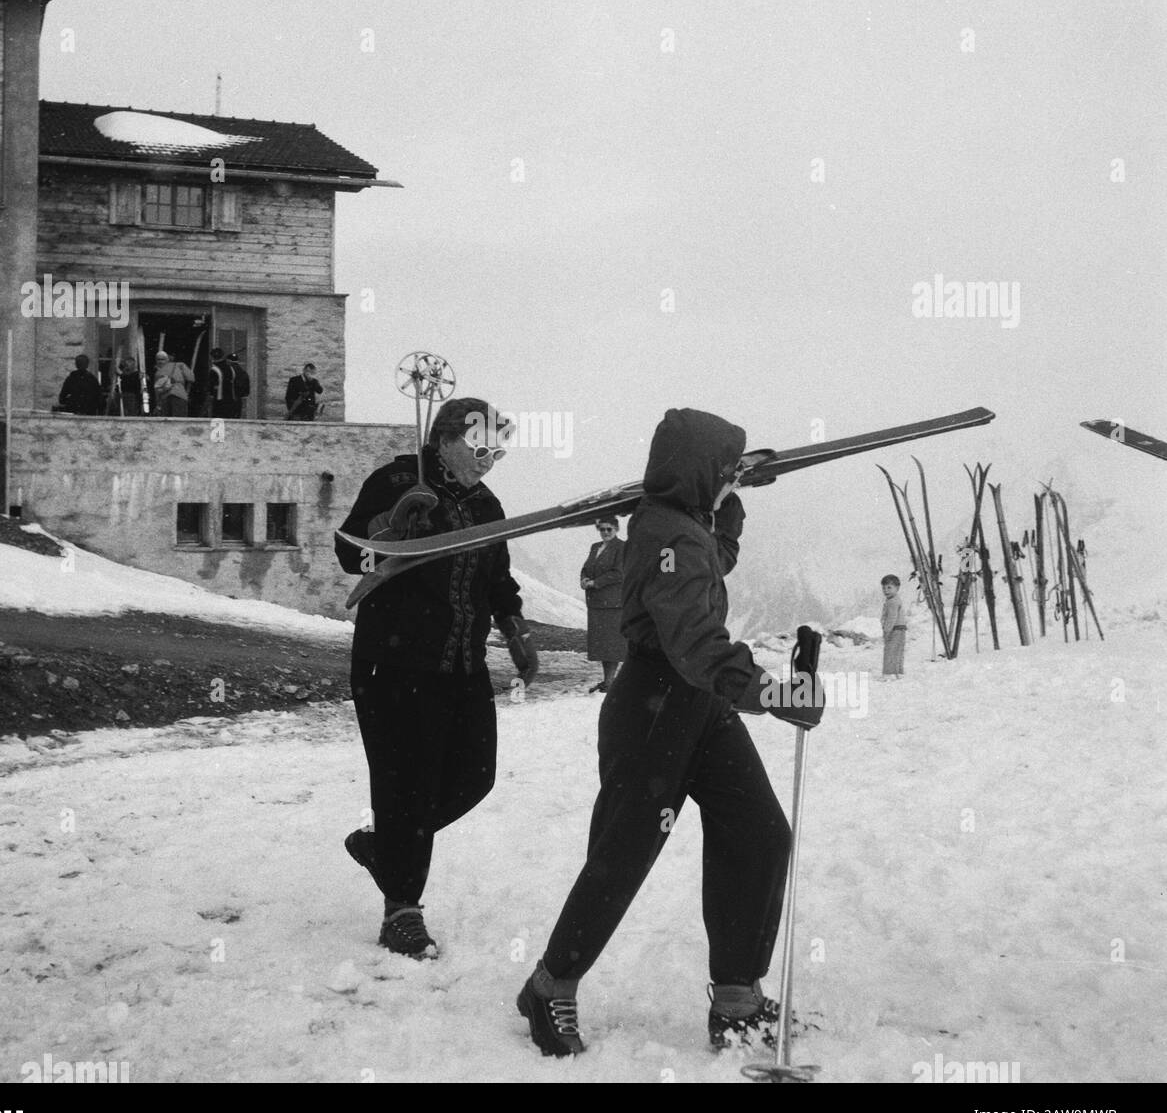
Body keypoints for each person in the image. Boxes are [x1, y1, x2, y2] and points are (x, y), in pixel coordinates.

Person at [515, 408, 824, 1058]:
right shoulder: (664, 534)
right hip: (653, 711)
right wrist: (769, 691)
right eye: (726, 469)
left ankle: (736, 995)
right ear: (699, 471)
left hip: (699, 708)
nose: (730, 478)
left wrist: (731, 503)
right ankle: (550, 984)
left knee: (759, 831)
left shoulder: (682, 528)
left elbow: (713, 563)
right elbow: (694, 643)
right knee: (623, 856)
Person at [334, 396, 539, 960]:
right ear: (447, 437)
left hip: (462, 663)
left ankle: (385, 848)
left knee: (475, 775)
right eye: (480, 448)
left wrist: (515, 626)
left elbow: (497, 576)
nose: (489, 459)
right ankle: (401, 908)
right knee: (406, 783)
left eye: (498, 450)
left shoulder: (487, 503)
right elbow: (352, 556)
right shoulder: (397, 479)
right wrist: (394, 525)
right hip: (394, 663)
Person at [580, 516, 626, 692]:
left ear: (616, 529)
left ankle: (610, 682)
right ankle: (608, 680)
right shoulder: (595, 547)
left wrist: (595, 582)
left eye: (609, 529)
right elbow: (586, 567)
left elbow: (619, 573)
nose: (605, 532)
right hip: (597, 602)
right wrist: (584, 579)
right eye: (602, 529)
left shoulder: (621, 547)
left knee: (612, 644)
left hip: (612, 603)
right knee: (603, 644)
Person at [152, 350, 195, 418]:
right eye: (158, 360)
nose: (160, 361)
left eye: (161, 360)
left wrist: (158, 405)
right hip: (179, 395)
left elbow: (157, 391)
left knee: (167, 423)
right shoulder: (180, 365)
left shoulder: (158, 373)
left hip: (165, 398)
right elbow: (191, 378)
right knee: (180, 421)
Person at [880, 574, 906, 679]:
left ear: (897, 588)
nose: (886, 590)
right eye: (884, 588)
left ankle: (889, 673)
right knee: (898, 651)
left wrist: (887, 631)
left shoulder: (892, 602)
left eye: (889, 587)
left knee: (890, 651)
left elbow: (891, 617)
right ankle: (898, 671)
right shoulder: (896, 599)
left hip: (894, 629)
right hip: (900, 629)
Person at [207, 347, 236, 419]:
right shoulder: (230, 368)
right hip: (230, 398)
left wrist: (210, 394)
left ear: (212, 357)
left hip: (218, 398)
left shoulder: (214, 370)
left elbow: (212, 385)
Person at [225, 352, 251, 419]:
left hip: (229, 399)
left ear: (228, 361)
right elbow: (246, 389)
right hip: (239, 399)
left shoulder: (229, 370)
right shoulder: (242, 371)